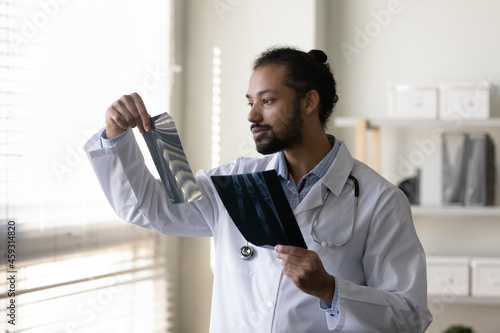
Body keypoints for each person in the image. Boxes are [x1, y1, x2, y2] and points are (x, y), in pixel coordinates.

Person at [85, 46, 433, 332]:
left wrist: (330, 289)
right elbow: (151, 208)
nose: (252, 116)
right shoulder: (235, 182)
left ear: (309, 103)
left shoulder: (380, 200)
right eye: (250, 102)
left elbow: (410, 316)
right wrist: (115, 132)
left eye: (266, 101)